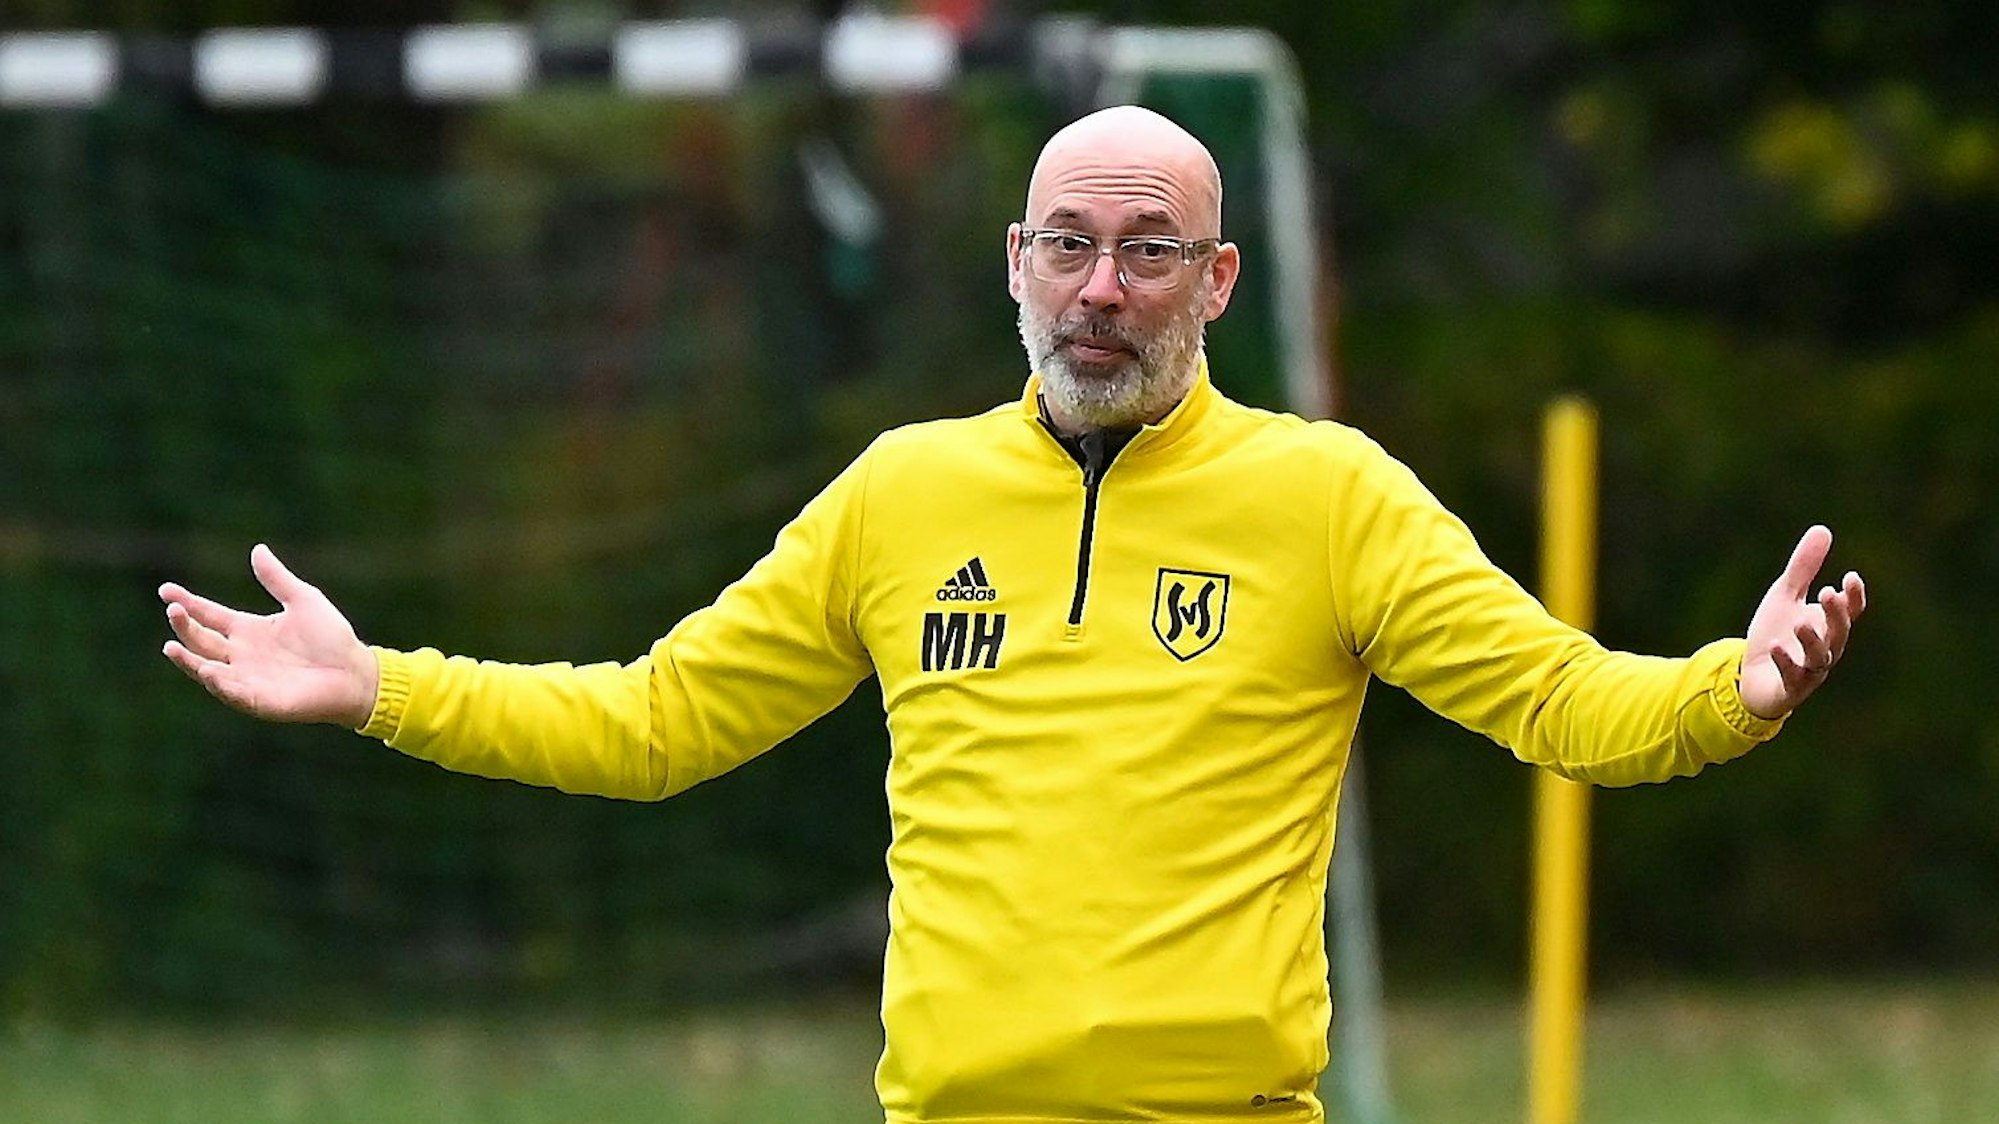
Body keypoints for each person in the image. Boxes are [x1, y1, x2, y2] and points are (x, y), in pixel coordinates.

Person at [160, 106, 1866, 1123]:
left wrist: (1737, 689)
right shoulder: (901, 493)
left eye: (1146, 251)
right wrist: (382, 683)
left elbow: (1568, 707)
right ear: (1013, 261)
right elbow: (656, 723)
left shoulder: (1331, 494)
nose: (1101, 288)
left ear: (1219, 282)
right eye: (1068, 244)